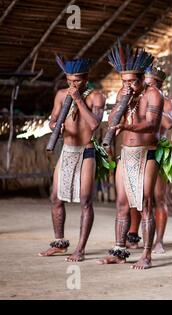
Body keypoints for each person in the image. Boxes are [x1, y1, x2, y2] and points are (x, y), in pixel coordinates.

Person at [96, 42, 163, 269]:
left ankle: (146, 254)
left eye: (132, 81)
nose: (128, 85)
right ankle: (119, 250)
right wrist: (121, 102)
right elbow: (112, 119)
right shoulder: (122, 93)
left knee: (145, 203)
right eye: (124, 81)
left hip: (147, 153)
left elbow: (152, 125)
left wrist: (127, 127)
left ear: (142, 78)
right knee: (122, 204)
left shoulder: (154, 94)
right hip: (126, 153)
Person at [39, 56, 104, 262]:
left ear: (86, 78)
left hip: (86, 152)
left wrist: (77, 99)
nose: (72, 84)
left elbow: (94, 124)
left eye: (77, 81)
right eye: (69, 80)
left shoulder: (96, 97)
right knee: (55, 197)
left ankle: (81, 249)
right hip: (67, 150)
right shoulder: (60, 95)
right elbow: (53, 118)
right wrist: (54, 126)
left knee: (85, 200)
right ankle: (59, 243)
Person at [125, 66, 172, 254]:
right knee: (135, 196)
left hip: (158, 151)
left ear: (160, 85)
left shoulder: (166, 102)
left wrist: (155, 105)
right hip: (137, 150)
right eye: (146, 82)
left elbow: (169, 123)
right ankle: (133, 235)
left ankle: (159, 241)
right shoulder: (137, 99)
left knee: (158, 198)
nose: (147, 85)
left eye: (152, 84)